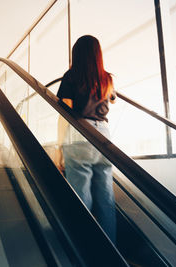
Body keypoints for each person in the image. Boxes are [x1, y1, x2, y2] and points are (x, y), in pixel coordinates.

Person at [56, 35, 117, 243]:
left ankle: (83, 250)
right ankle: (110, 251)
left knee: (81, 197)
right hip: (105, 138)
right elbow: (112, 99)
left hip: (80, 133)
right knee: (106, 198)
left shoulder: (71, 76)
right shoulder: (107, 78)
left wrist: (59, 147)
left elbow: (65, 113)